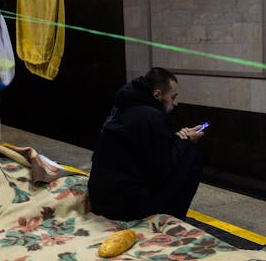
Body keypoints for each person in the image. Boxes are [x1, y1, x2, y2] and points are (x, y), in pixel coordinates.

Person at [87, 67, 205, 221]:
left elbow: (145, 150)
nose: (175, 103)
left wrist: (176, 138)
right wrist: (187, 141)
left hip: (100, 200)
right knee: (193, 154)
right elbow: (162, 171)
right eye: (173, 97)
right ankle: (172, 218)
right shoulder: (153, 117)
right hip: (125, 208)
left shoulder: (124, 106)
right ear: (157, 94)